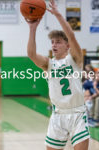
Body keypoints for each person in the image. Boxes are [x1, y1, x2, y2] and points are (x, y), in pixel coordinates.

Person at [26, 0, 90, 149]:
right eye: (52, 42)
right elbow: (31, 54)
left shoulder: (75, 59)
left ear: (67, 46)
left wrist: (58, 15)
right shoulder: (49, 64)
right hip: (58, 115)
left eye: (58, 42)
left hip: (77, 114)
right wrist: (32, 28)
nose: (54, 45)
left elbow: (72, 36)